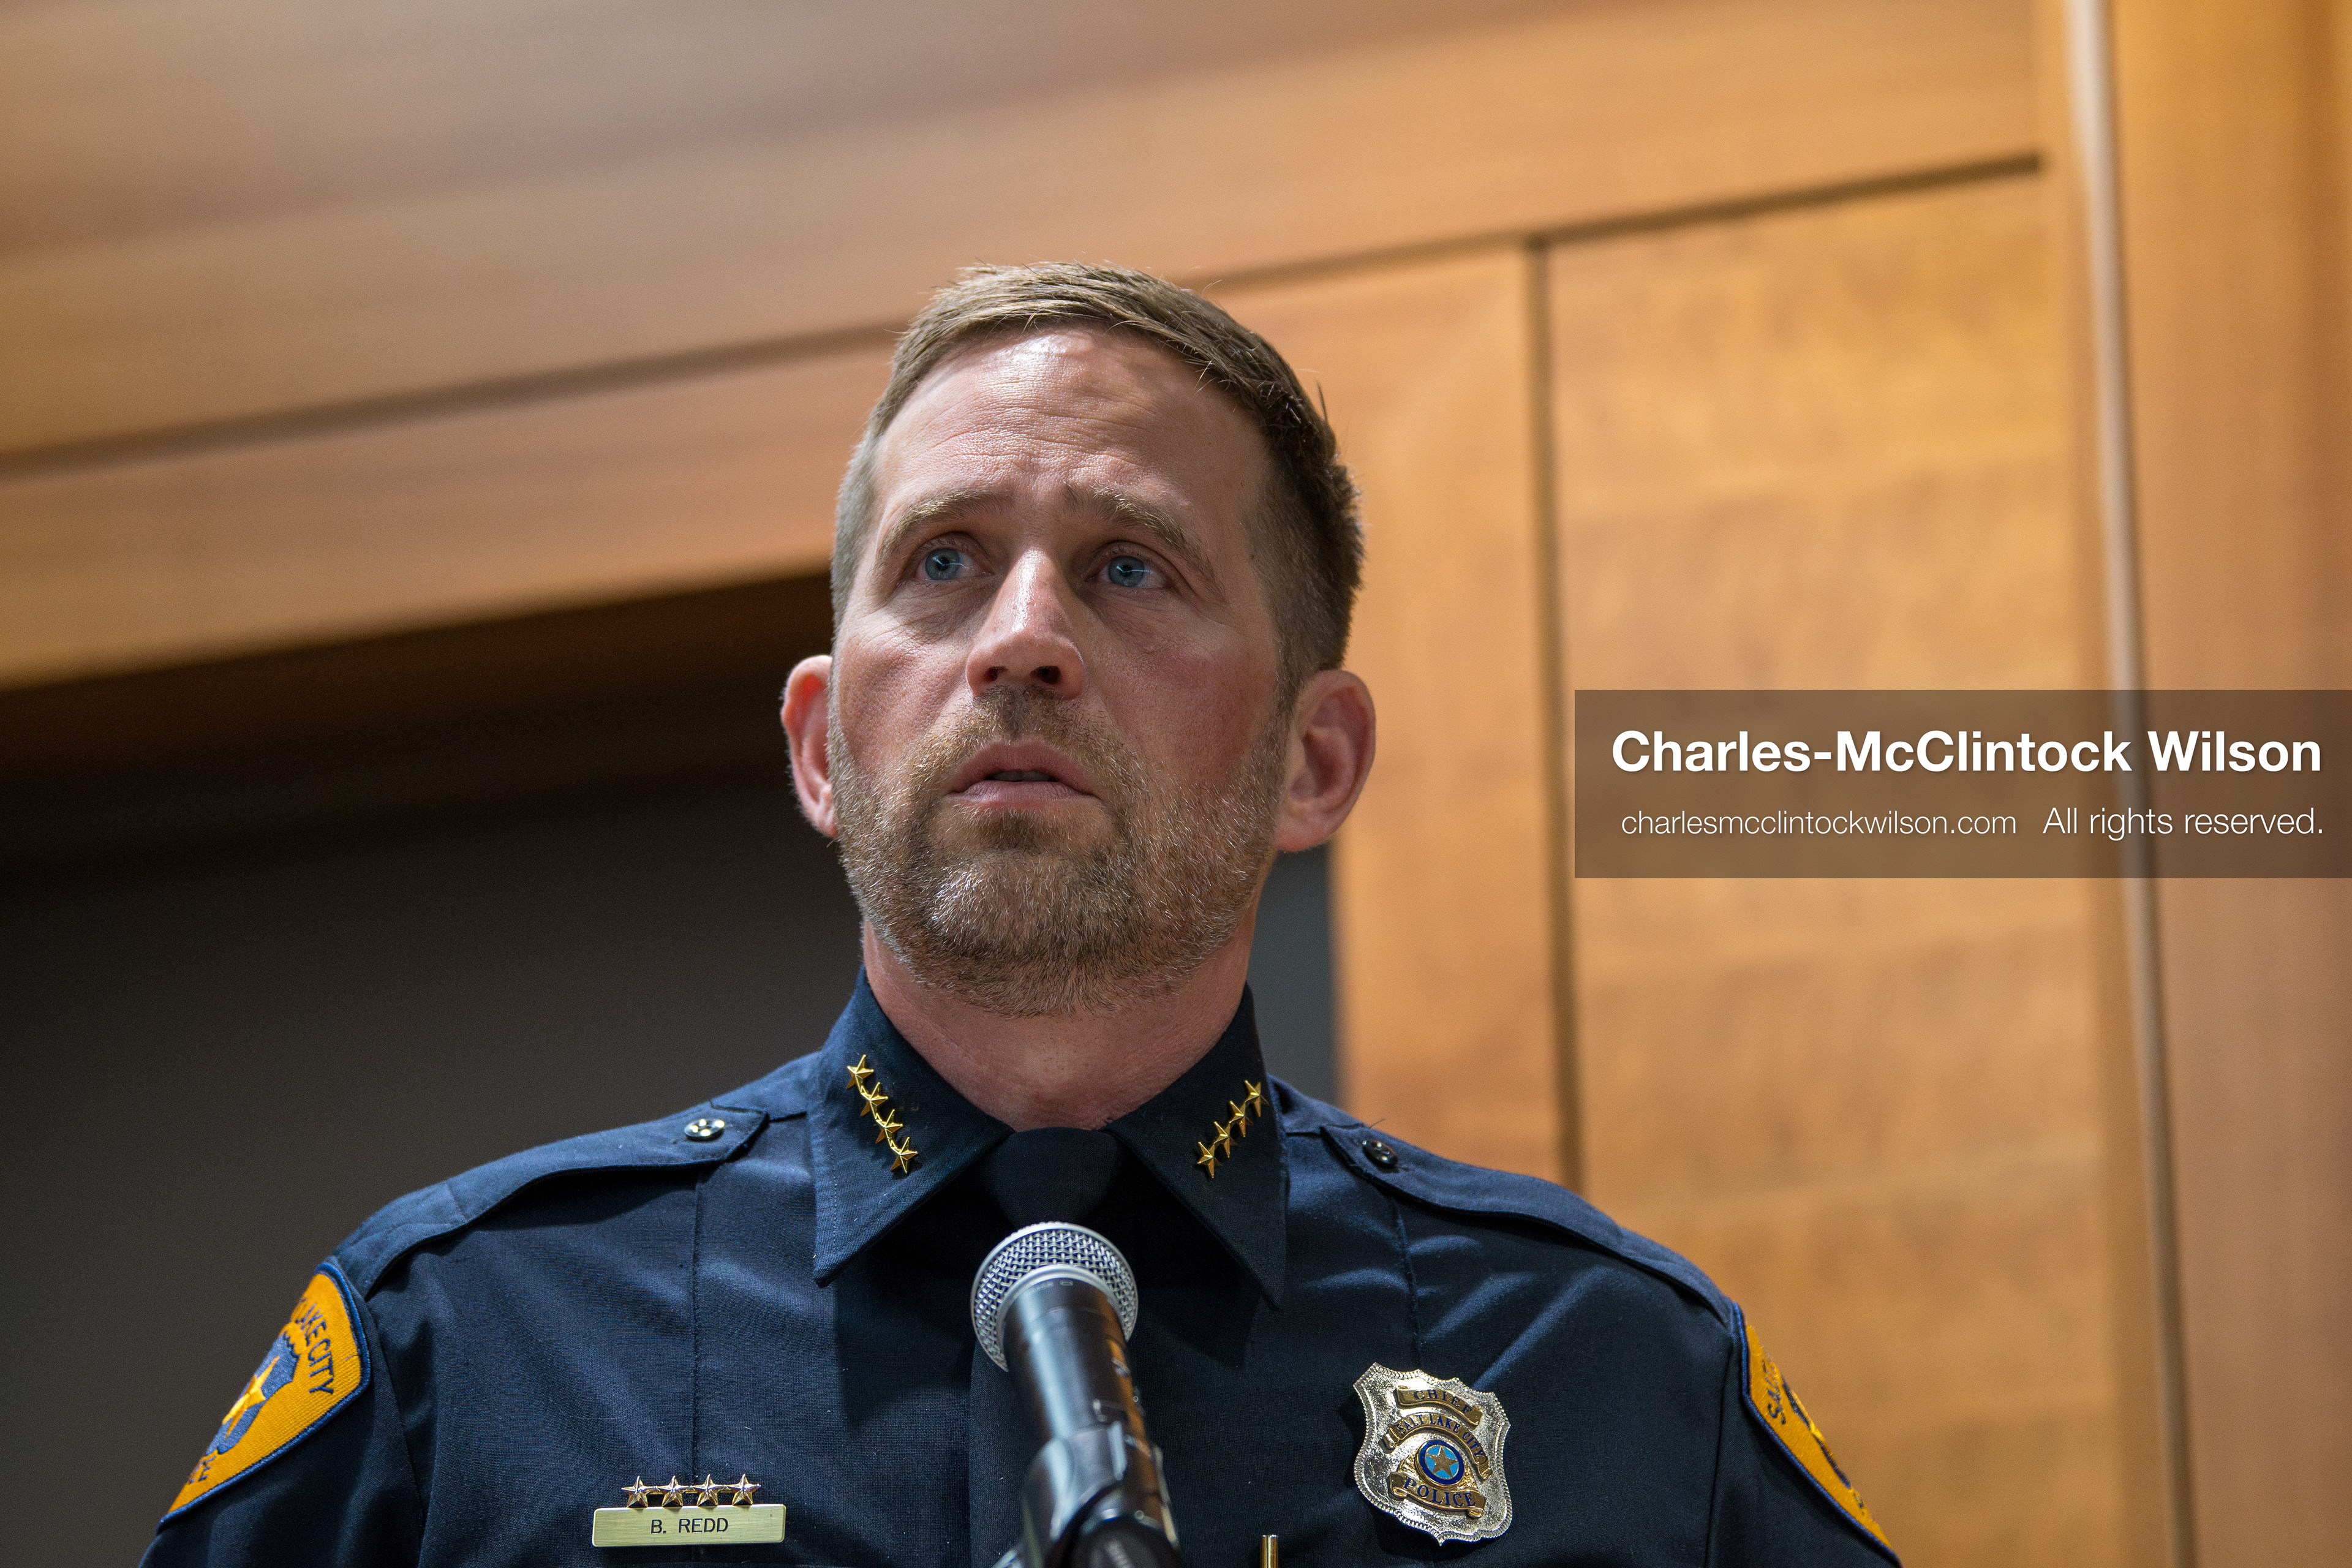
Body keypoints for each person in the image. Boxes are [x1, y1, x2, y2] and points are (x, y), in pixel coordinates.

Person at [143, 263, 1897, 1567]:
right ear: (826, 746)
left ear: (1315, 758)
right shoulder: (473, 1345)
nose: (1022, 636)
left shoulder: (1615, 1380)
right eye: (945, 562)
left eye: (1133, 567)